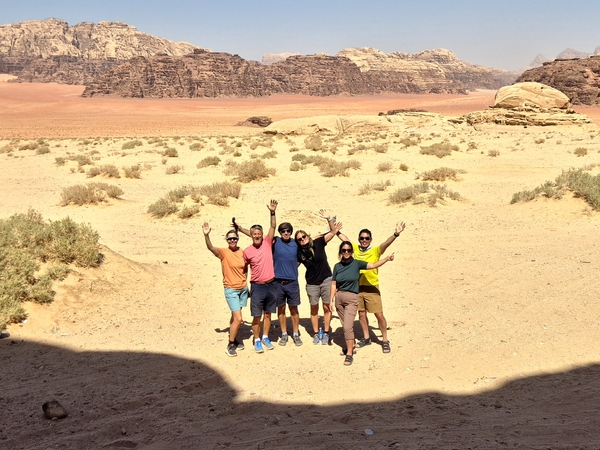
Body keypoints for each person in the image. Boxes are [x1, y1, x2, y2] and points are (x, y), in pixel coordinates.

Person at [322, 211, 405, 354]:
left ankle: (385, 340)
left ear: (371, 239)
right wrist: (331, 222)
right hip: (357, 288)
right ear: (359, 239)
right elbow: (340, 236)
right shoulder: (353, 248)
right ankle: (366, 338)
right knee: (361, 314)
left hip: (372, 287)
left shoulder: (376, 250)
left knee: (379, 315)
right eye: (362, 238)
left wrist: (396, 234)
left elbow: (386, 243)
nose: (364, 240)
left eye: (367, 238)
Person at [330, 241, 394, 366]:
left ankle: (349, 353)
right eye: (344, 250)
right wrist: (331, 299)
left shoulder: (357, 264)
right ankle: (351, 345)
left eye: (349, 250)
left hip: (352, 298)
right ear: (340, 252)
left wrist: (386, 259)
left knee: (347, 326)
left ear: (352, 252)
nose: (346, 252)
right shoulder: (337, 266)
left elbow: (373, 265)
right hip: (339, 299)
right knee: (345, 325)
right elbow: (333, 284)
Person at [236, 200, 278, 353]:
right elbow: (244, 269)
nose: (257, 236)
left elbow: (273, 226)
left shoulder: (267, 242)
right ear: (251, 236)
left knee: (268, 314)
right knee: (256, 315)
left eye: (259, 234)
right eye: (254, 234)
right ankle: (257, 339)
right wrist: (244, 285)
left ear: (262, 235)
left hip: (271, 285)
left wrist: (272, 212)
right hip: (257, 286)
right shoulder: (247, 251)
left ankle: (265, 337)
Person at [202, 223, 248, 357]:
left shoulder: (242, 252)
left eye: (234, 238)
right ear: (227, 240)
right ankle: (231, 344)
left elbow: (246, 268)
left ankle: (234, 337)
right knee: (238, 318)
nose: (232, 240)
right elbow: (210, 248)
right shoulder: (224, 252)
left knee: (234, 316)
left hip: (242, 289)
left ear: (238, 239)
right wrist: (206, 235)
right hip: (231, 289)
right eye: (230, 239)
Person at [295, 220, 341, 345]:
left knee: (327, 307)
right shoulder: (299, 252)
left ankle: (326, 332)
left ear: (308, 236)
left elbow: (333, 232)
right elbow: (294, 265)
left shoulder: (318, 243)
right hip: (312, 283)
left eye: (304, 236)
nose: (302, 239)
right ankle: (316, 333)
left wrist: (329, 219)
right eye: (299, 239)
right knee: (314, 308)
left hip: (326, 279)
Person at [272, 221, 303, 346]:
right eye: (283, 231)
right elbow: (257, 236)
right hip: (278, 282)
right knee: (281, 309)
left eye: (288, 231)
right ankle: (284, 333)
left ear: (291, 232)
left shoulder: (296, 243)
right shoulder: (275, 241)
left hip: (292, 282)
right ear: (280, 233)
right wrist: (240, 229)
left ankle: (295, 333)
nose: (286, 233)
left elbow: (309, 243)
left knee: (294, 308)